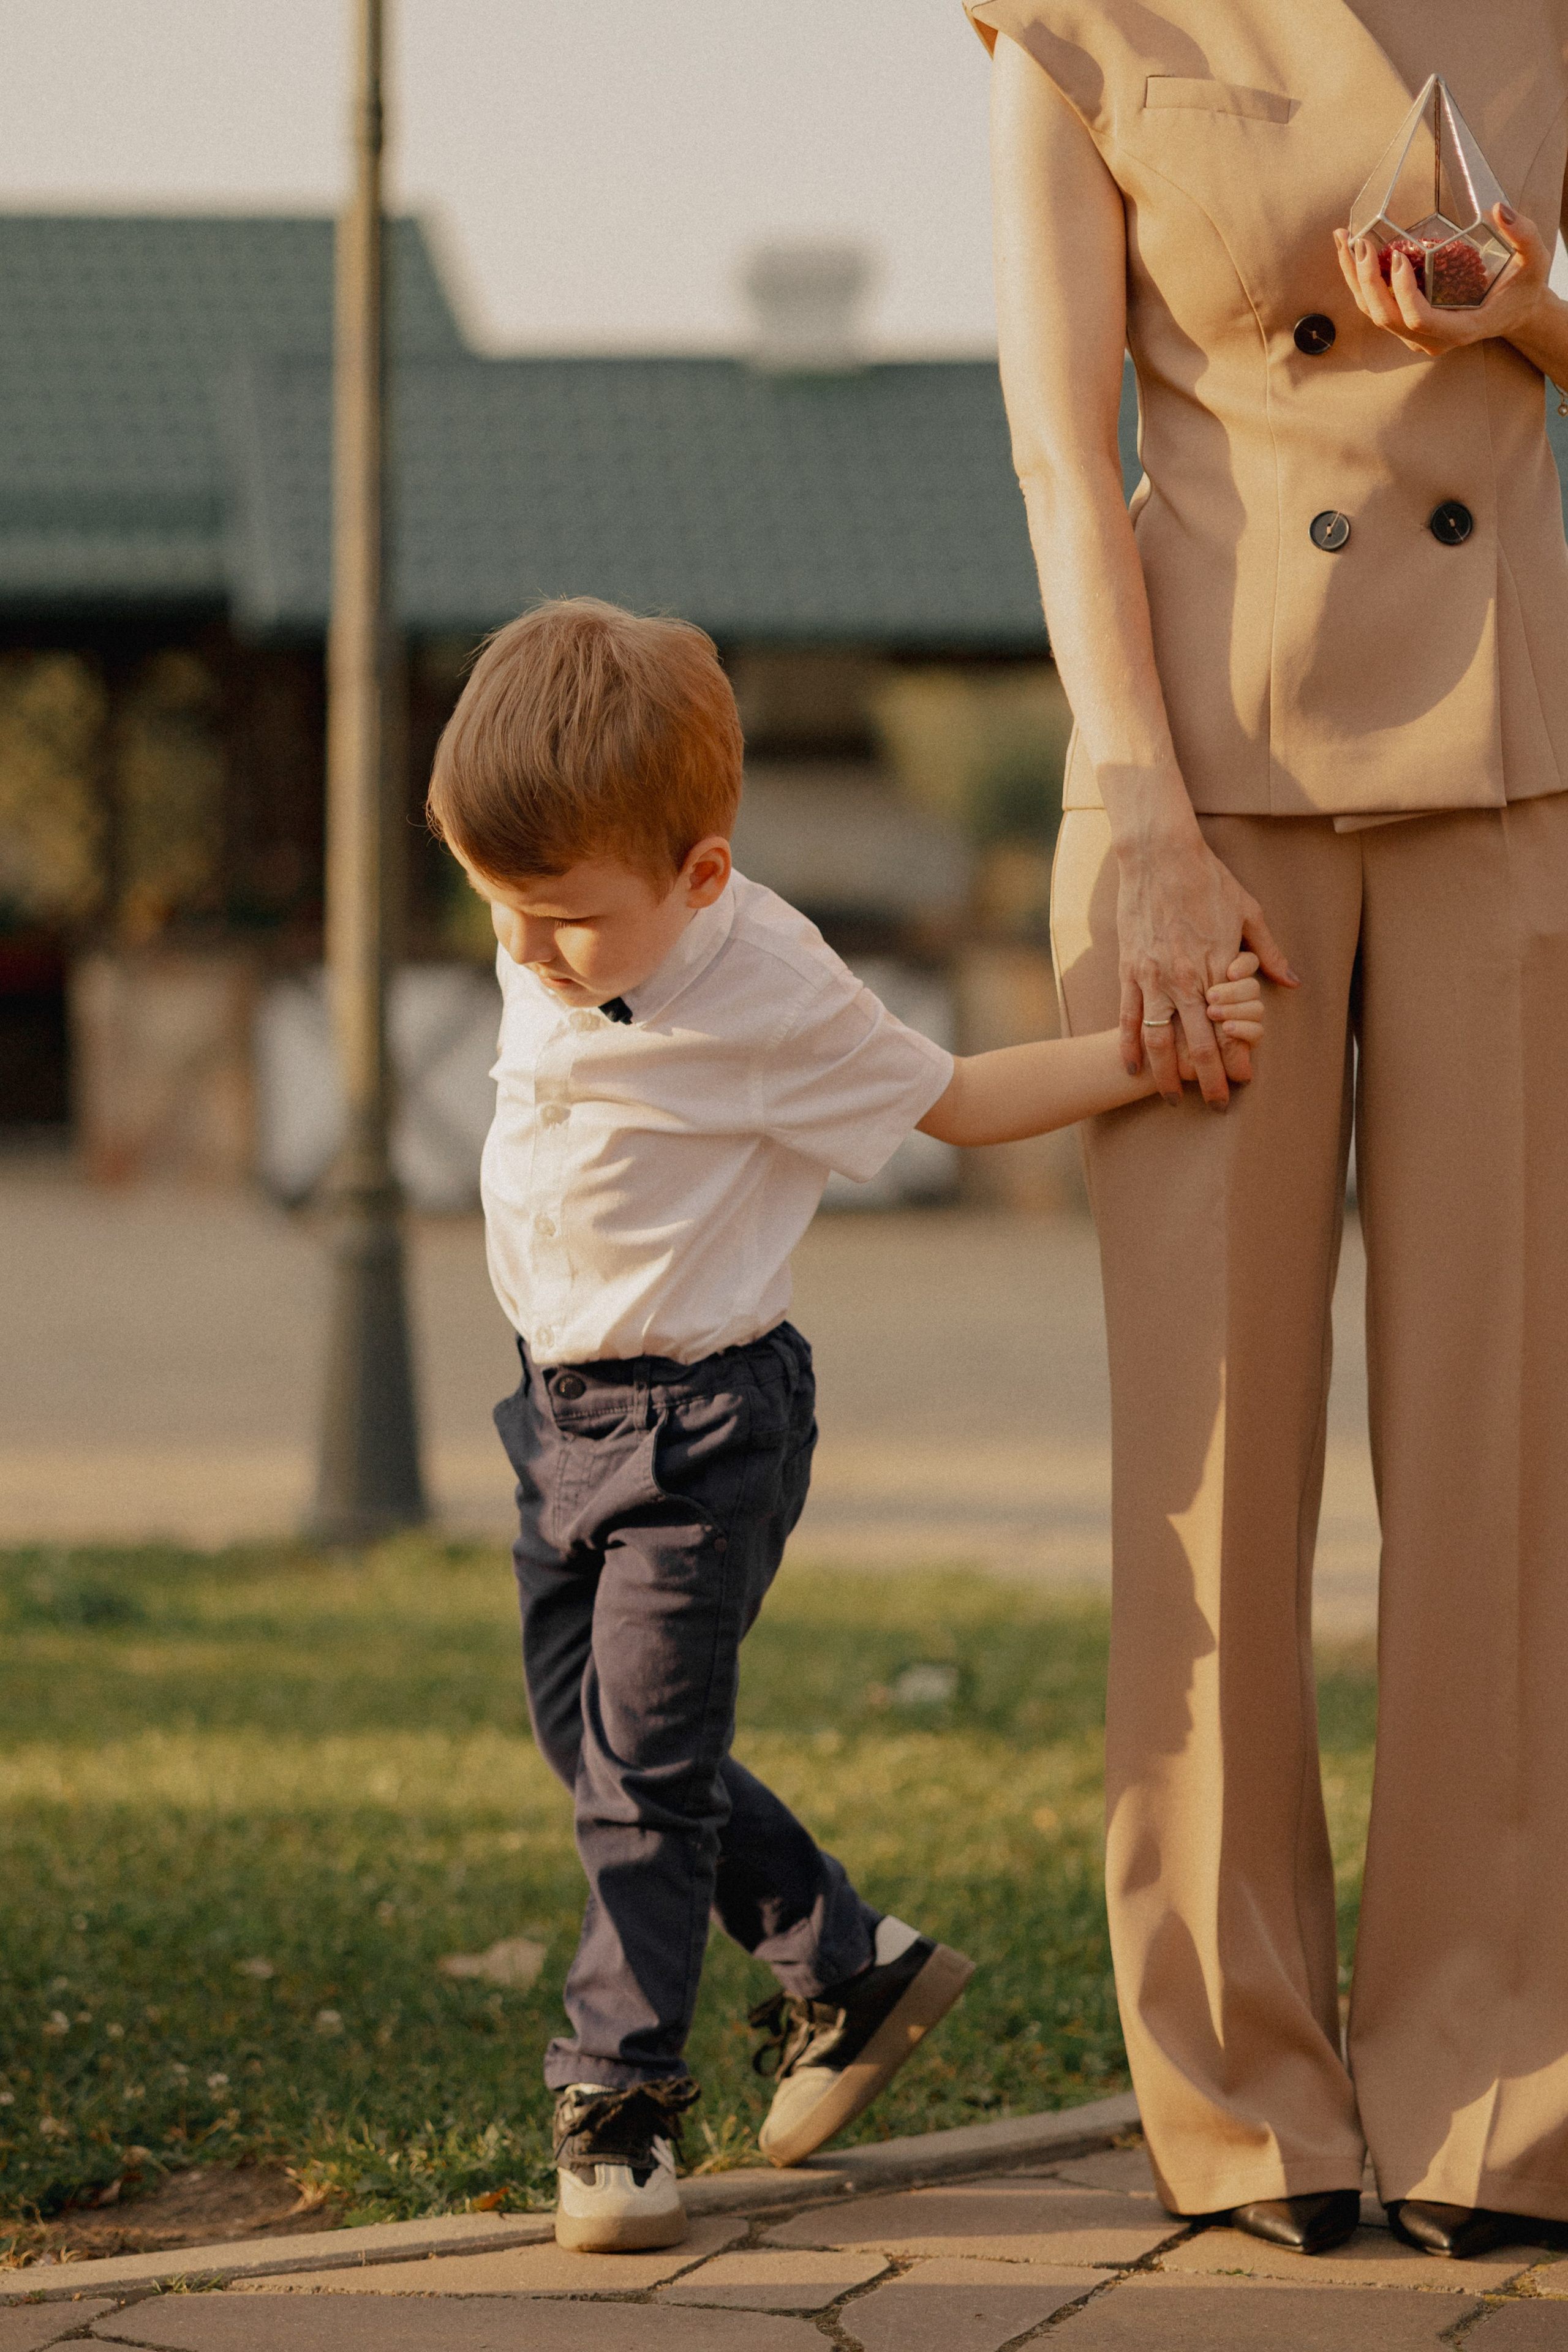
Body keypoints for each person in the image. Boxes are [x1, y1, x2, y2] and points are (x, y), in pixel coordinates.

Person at [425, 595, 1265, 2253]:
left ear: (703, 877)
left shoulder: (770, 988)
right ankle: (850, 1968)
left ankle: (619, 2103)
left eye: (563, 924)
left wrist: (1147, 1053)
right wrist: (546, 915)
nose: (525, 956)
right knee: (596, 1749)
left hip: (700, 1431)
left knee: (639, 1791)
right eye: (496, 911)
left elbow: (949, 1098)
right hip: (559, 1417)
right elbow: (548, 916)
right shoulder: (574, 908)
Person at [968, 0, 1568, 2263]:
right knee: (1211, 1483)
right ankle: (1246, 2103)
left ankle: (1497, 2094)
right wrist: (1131, 811)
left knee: (1512, 1469)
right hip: (1202, 798)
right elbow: (1056, 443)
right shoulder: (1080, 20)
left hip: (1514, 778)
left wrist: (1530, 308)